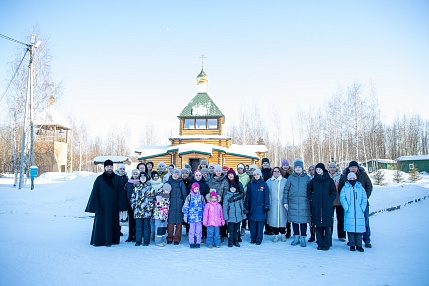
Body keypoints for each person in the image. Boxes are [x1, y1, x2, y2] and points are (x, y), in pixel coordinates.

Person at [85, 159, 128, 247]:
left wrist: (120, 206)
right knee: (101, 223)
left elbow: (120, 193)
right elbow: (95, 193)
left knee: (113, 223)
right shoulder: (99, 179)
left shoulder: (118, 179)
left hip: (113, 206)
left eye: (110, 167)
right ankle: (100, 240)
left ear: (113, 167)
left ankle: (113, 240)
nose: (109, 168)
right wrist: (95, 205)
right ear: (104, 168)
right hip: (102, 206)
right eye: (107, 167)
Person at [338, 160, 373, 248]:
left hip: (362, 204)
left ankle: (366, 240)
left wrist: (363, 199)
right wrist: (346, 204)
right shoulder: (344, 176)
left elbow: (369, 186)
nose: (353, 169)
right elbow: (341, 190)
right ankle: (352, 241)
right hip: (349, 205)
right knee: (350, 222)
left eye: (355, 167)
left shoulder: (363, 175)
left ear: (357, 168)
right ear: (349, 168)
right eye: (351, 167)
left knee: (364, 222)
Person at [308, 163, 337, 250]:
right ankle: (320, 243)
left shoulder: (329, 180)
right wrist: (312, 199)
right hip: (316, 206)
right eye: (316, 170)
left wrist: (329, 200)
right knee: (318, 226)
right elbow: (309, 191)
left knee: (327, 226)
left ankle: (327, 243)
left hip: (327, 206)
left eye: (319, 169)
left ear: (323, 170)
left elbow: (334, 192)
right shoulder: (313, 181)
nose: (318, 171)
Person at [283, 158, 311, 247]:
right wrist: (285, 201)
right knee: (294, 220)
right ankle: (296, 237)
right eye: (296, 167)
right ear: (294, 168)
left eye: (300, 167)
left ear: (302, 168)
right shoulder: (291, 178)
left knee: (303, 221)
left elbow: (310, 190)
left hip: (304, 202)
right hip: (293, 202)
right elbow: (286, 190)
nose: (298, 169)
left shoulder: (307, 178)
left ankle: (303, 237)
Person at [340, 172, 367, 252]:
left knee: (359, 229)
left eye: (353, 178)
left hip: (359, 211)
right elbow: (342, 198)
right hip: (349, 211)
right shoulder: (345, 188)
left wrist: (362, 208)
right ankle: (352, 244)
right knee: (350, 230)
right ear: (348, 179)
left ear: (356, 178)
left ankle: (359, 245)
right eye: (350, 178)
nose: (352, 180)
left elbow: (364, 198)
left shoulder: (360, 187)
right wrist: (346, 207)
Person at [245, 169, 270, 245]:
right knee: (252, 224)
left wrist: (266, 205)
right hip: (252, 207)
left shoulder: (264, 184)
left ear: (260, 175)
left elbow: (266, 196)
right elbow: (248, 195)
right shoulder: (251, 184)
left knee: (260, 224)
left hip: (261, 207)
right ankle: (253, 238)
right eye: (255, 175)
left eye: (258, 175)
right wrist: (246, 204)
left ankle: (259, 239)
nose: (256, 176)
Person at [131, 172, 155, 246]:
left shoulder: (150, 187)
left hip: (147, 210)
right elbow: (133, 197)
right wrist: (134, 205)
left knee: (146, 226)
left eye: (144, 177)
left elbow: (153, 198)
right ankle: (138, 240)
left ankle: (146, 240)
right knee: (138, 226)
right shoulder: (136, 187)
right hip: (138, 210)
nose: (143, 179)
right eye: (141, 177)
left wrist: (150, 207)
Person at [207, 164, 229, 241]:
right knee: (212, 218)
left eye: (219, 171)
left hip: (221, 202)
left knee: (220, 218)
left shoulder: (224, 180)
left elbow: (226, 191)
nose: (218, 172)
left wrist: (222, 200)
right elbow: (208, 189)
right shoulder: (211, 179)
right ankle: (211, 235)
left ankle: (222, 234)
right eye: (217, 171)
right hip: (212, 202)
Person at [266, 167, 288, 242]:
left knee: (282, 218)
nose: (276, 173)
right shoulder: (269, 181)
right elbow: (266, 193)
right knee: (274, 219)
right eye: (274, 171)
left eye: (278, 171)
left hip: (282, 203)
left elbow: (287, 191)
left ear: (280, 172)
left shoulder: (285, 181)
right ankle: (275, 235)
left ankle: (283, 234)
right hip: (273, 203)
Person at [166, 169, 187, 245]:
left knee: (179, 222)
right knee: (170, 222)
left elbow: (184, 194)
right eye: (174, 174)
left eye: (177, 174)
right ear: (172, 174)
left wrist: (184, 204)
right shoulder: (168, 183)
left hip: (179, 204)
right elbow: (164, 194)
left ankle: (177, 238)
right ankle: (169, 237)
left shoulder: (181, 183)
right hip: (170, 204)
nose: (175, 175)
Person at [183, 182, 206, 248]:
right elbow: (186, 206)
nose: (196, 190)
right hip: (191, 217)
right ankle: (192, 242)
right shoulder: (189, 197)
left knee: (199, 231)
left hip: (199, 217)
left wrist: (205, 216)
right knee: (192, 231)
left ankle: (198, 242)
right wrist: (185, 215)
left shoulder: (201, 197)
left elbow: (204, 207)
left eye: (197, 189)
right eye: (195, 189)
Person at [223, 182, 246, 247]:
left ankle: (235, 241)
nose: (232, 189)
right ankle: (230, 241)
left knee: (237, 230)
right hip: (230, 217)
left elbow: (242, 206)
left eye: (234, 188)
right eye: (231, 188)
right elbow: (225, 207)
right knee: (230, 230)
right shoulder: (227, 196)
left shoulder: (238, 196)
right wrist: (226, 217)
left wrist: (243, 215)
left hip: (238, 217)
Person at [328, 162, 346, 242]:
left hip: (339, 201)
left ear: (336, 168)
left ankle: (341, 235)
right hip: (329, 201)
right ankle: (329, 234)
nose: (332, 169)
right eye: (330, 167)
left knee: (341, 219)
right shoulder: (326, 176)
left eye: (333, 167)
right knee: (329, 219)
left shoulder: (341, 177)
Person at [124, 169, 140, 242]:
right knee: (131, 221)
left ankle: (136, 236)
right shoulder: (128, 183)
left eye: (137, 174)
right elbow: (125, 192)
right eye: (134, 174)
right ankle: (130, 235)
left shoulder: (140, 182)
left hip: (138, 205)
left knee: (137, 221)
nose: (135, 175)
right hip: (129, 204)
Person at [115, 163, 129, 236]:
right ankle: (117, 230)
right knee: (117, 215)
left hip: (124, 198)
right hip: (117, 198)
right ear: (118, 169)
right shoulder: (115, 177)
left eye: (123, 169)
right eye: (121, 169)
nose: (122, 170)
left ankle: (120, 229)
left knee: (123, 216)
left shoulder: (126, 177)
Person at [149, 171, 163, 241]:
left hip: (159, 205)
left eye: (157, 176)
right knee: (152, 220)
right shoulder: (149, 184)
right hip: (151, 204)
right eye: (154, 176)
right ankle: (152, 233)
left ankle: (158, 233)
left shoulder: (161, 184)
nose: (155, 177)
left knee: (158, 220)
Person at [281, 159, 293, 238]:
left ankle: (289, 230)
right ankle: (282, 230)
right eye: (284, 165)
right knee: (282, 214)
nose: (285, 167)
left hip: (289, 196)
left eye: (286, 165)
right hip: (281, 195)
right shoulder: (279, 174)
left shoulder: (291, 174)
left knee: (288, 215)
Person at [237, 163, 250, 236]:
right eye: (239, 168)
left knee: (244, 213)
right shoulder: (236, 176)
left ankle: (243, 228)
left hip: (244, 197)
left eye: (241, 168)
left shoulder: (247, 177)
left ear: (243, 169)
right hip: (237, 197)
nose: (240, 170)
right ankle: (238, 228)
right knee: (238, 213)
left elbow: (248, 186)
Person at [307, 164, 316, 242]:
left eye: (313, 169)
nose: (312, 171)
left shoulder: (318, 178)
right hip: (310, 201)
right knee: (311, 219)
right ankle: (312, 234)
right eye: (310, 169)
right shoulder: (308, 179)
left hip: (318, 201)